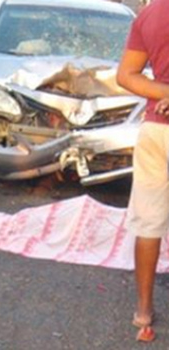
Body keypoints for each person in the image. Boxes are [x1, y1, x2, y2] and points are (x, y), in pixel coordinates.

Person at [117, 0, 169, 342]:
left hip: (157, 130)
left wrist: (165, 90)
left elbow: (125, 75)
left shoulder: (152, 13)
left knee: (148, 221)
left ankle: (144, 311)